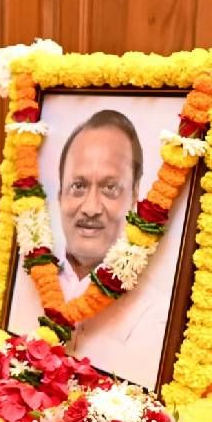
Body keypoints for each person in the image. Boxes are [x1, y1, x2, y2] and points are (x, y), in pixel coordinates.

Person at [56, 109, 143, 300]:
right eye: (78, 185)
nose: (91, 208)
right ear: (60, 195)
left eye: (110, 187)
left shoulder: (155, 309)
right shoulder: (18, 285)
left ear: (134, 195)